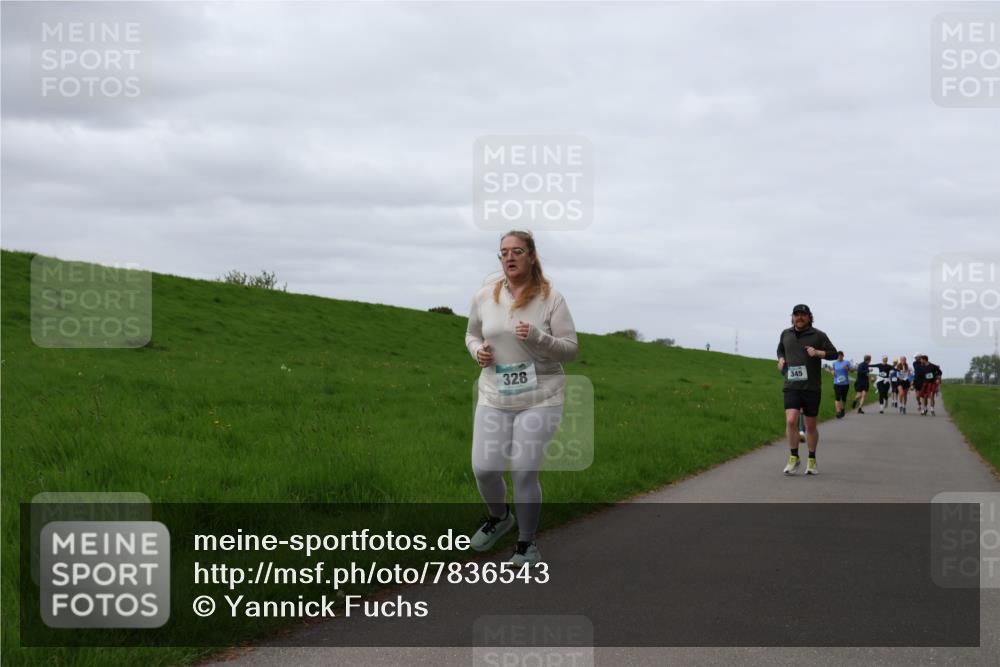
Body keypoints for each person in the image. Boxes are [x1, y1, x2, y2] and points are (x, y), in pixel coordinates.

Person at [465, 230, 578, 566]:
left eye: (517, 251)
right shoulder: (486, 295)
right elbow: (471, 334)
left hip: (540, 394)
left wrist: (540, 337)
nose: (509, 257)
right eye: (504, 252)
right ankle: (500, 517)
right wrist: (478, 352)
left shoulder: (551, 298)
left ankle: (527, 545)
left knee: (524, 471)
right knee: (484, 469)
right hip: (494, 392)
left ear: (531, 256)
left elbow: (571, 350)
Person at [777, 304, 839, 475]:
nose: (799, 317)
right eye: (796, 315)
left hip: (811, 387)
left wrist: (819, 353)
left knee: (811, 425)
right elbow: (780, 349)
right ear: (792, 317)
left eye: (803, 315)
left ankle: (812, 460)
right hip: (791, 385)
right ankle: (793, 457)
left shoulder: (818, 335)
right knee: (791, 420)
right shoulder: (786, 333)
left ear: (809, 317)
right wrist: (781, 359)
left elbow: (834, 353)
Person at [831, 351, 853, 419]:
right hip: (837, 383)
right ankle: (838, 412)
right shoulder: (834, 363)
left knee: (843, 398)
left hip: (845, 383)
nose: (839, 357)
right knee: (837, 397)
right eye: (838, 356)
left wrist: (848, 369)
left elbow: (852, 370)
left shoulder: (847, 362)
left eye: (840, 356)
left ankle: (843, 409)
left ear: (843, 356)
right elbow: (833, 370)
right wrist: (832, 372)